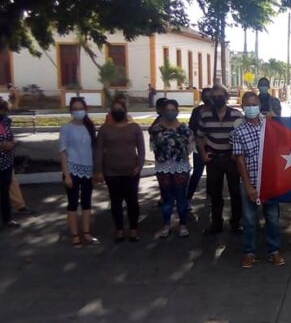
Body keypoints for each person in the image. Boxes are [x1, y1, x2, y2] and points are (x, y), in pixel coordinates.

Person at [234, 92, 285, 267]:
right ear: (242, 108)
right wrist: (248, 186)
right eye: (247, 105)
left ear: (259, 106)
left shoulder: (270, 125)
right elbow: (240, 161)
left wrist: (276, 118)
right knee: (249, 220)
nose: (251, 108)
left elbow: (287, 140)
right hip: (250, 181)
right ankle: (249, 252)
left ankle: (274, 251)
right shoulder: (238, 131)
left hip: (270, 182)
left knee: (272, 218)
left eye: (254, 104)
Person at [95, 99, 145, 242]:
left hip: (131, 172)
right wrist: (98, 171)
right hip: (111, 172)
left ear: (125, 111)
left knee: (132, 202)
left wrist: (139, 166)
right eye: (115, 109)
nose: (118, 112)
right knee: (116, 202)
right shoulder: (105, 129)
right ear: (111, 112)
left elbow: (141, 150)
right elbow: (99, 150)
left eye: (120, 109)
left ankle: (134, 229)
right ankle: (119, 230)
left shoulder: (134, 127)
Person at [196, 85, 244, 234]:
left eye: (220, 95)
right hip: (214, 160)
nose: (217, 99)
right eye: (214, 96)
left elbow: (242, 137)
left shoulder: (237, 115)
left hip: (231, 159)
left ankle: (236, 223)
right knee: (215, 194)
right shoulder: (205, 115)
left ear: (226, 96)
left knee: (235, 192)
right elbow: (200, 137)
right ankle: (216, 223)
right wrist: (203, 155)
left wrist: (236, 154)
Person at [149, 100, 194, 239]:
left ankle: (183, 225)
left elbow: (190, 147)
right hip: (163, 167)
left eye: (173, 109)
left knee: (181, 197)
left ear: (177, 111)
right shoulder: (156, 129)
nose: (170, 112)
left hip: (180, 167)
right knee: (167, 198)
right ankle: (166, 225)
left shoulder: (184, 129)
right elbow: (153, 147)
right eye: (167, 110)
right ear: (162, 111)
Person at [59, 97, 98, 246]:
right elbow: (63, 152)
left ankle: (86, 233)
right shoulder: (66, 128)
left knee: (87, 203)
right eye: (74, 108)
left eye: (80, 108)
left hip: (88, 170)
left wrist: (95, 171)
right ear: (70, 111)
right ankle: (75, 234)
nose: (77, 111)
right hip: (72, 170)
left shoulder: (89, 127)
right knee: (73, 203)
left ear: (85, 109)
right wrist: (67, 174)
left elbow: (93, 150)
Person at [186, 88, 212, 206]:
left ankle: (209, 197)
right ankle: (188, 198)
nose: (207, 98)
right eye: (204, 96)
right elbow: (191, 127)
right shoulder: (197, 111)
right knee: (197, 173)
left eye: (209, 96)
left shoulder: (215, 110)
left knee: (212, 174)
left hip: (213, 147)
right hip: (199, 146)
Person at [0, 100, 20, 228]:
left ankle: (7, 219)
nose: (5, 114)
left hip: (6, 163)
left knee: (4, 193)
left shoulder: (4, 123)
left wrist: (12, 143)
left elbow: (8, 138)